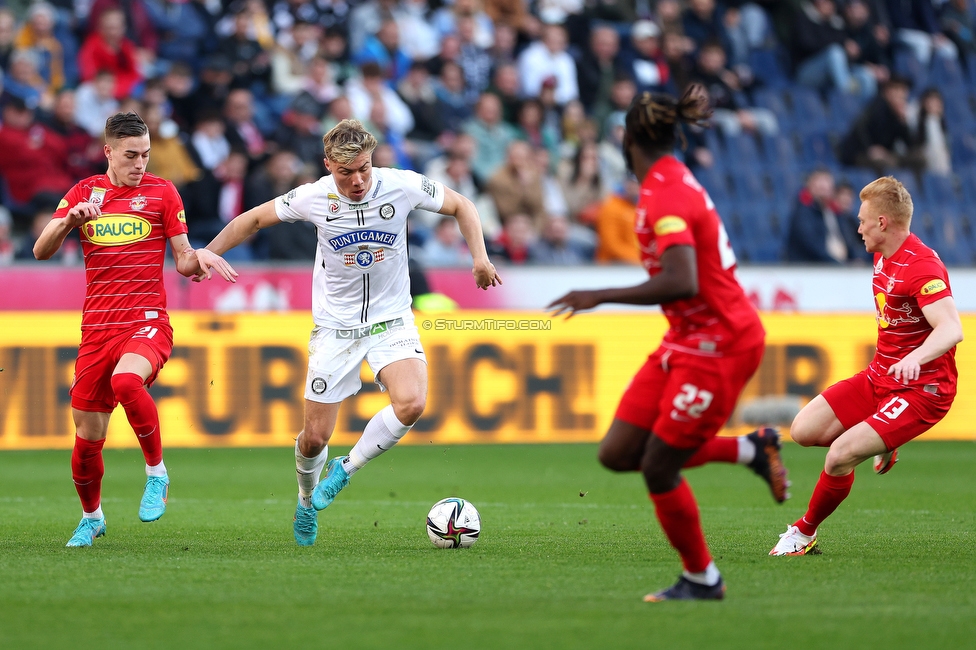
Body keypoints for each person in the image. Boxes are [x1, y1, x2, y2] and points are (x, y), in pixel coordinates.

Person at [193, 119, 502, 547]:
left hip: (392, 320)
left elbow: (463, 205)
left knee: (411, 403)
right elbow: (254, 219)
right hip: (335, 329)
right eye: (345, 172)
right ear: (327, 166)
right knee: (314, 437)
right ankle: (305, 502)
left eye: (364, 169)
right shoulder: (312, 196)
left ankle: (346, 469)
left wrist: (480, 259)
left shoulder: (401, 185)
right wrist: (207, 251)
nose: (357, 180)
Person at [548, 85, 788, 602]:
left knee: (659, 465)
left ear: (628, 137)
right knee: (617, 453)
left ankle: (702, 579)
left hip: (722, 342)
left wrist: (599, 293)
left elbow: (683, 279)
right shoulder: (665, 182)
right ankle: (750, 448)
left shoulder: (667, 193)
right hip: (686, 339)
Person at [32, 111, 228, 547]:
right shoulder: (83, 194)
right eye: (131, 155)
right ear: (108, 152)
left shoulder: (162, 192)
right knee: (87, 437)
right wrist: (69, 222)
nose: (140, 164)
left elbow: (181, 259)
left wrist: (202, 257)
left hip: (146, 321)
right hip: (97, 328)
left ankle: (157, 473)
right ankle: (92, 517)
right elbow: (41, 250)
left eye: (146, 155)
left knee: (126, 380)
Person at [770, 177, 963, 556]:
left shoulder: (921, 267)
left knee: (840, 455)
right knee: (803, 431)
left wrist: (915, 357)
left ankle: (802, 534)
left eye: (861, 220)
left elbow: (952, 329)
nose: (856, 227)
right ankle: (884, 438)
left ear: (882, 223)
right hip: (881, 377)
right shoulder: (881, 255)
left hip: (922, 389)